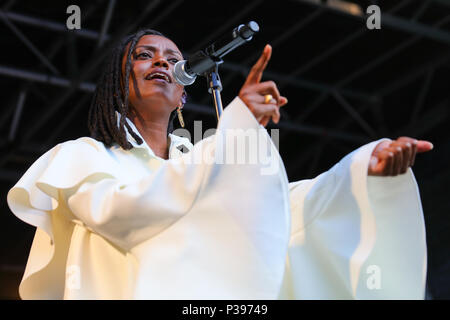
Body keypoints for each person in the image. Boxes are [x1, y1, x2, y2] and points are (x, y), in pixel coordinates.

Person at [7, 29, 432, 299]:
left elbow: (283, 211)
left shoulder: (201, 157)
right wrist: (234, 133)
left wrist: (360, 173)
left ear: (184, 93)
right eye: (145, 55)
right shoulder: (81, 156)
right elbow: (125, 215)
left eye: (173, 59)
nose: (163, 62)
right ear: (118, 81)